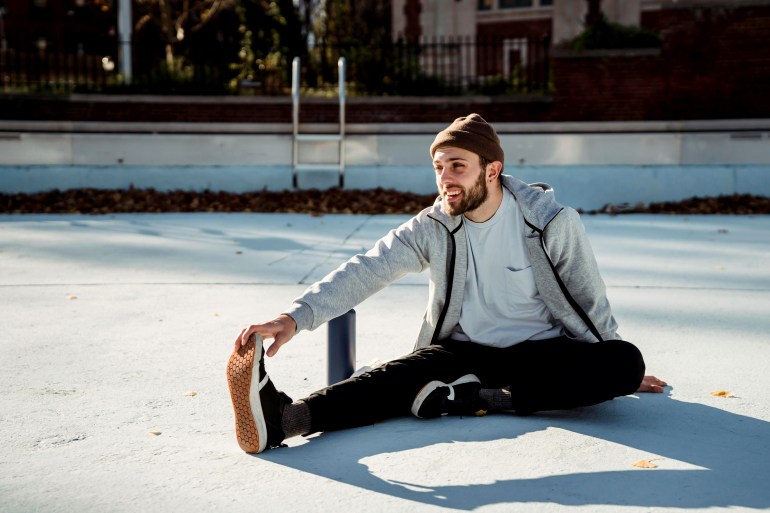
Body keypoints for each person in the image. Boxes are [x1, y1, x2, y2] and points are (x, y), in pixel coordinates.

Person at [226, 113, 667, 454]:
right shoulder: (433, 226)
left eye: (458, 166)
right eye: (439, 167)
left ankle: (474, 399)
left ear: (491, 170)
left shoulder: (550, 222)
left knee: (623, 362)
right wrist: (294, 318)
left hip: (543, 354)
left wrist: (613, 362)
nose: (445, 179)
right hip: (463, 351)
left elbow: (590, 299)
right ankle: (285, 419)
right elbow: (368, 268)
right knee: (394, 378)